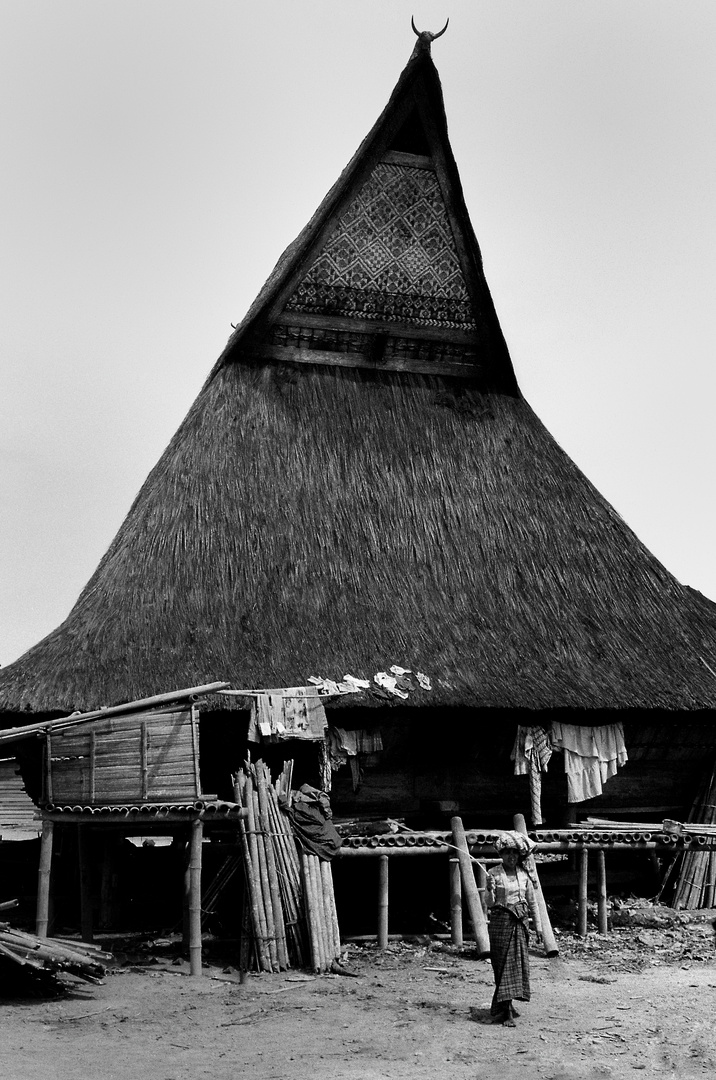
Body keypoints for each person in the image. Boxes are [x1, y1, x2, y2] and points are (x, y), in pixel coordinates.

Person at [484, 831, 542, 1026]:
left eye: (515, 853)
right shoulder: (493, 874)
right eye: (507, 853)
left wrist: (539, 927)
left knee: (515, 966)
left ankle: (506, 1009)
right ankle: (505, 1007)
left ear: (519, 855)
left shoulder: (525, 875)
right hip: (501, 924)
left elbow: (532, 903)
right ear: (501, 855)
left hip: (520, 924)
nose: (511, 857)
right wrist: (490, 890)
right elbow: (490, 904)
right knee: (501, 966)